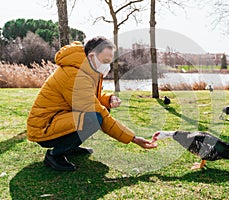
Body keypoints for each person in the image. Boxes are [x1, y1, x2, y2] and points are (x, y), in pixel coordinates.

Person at [27, 36, 157, 171]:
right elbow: (94, 108)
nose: (108, 66)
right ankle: (54, 155)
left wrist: (107, 99)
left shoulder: (87, 68)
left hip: (60, 119)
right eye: (105, 61)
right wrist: (133, 138)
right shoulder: (74, 75)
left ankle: (69, 147)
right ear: (92, 56)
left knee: (96, 114)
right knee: (94, 117)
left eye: (109, 61)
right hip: (44, 128)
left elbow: (89, 98)